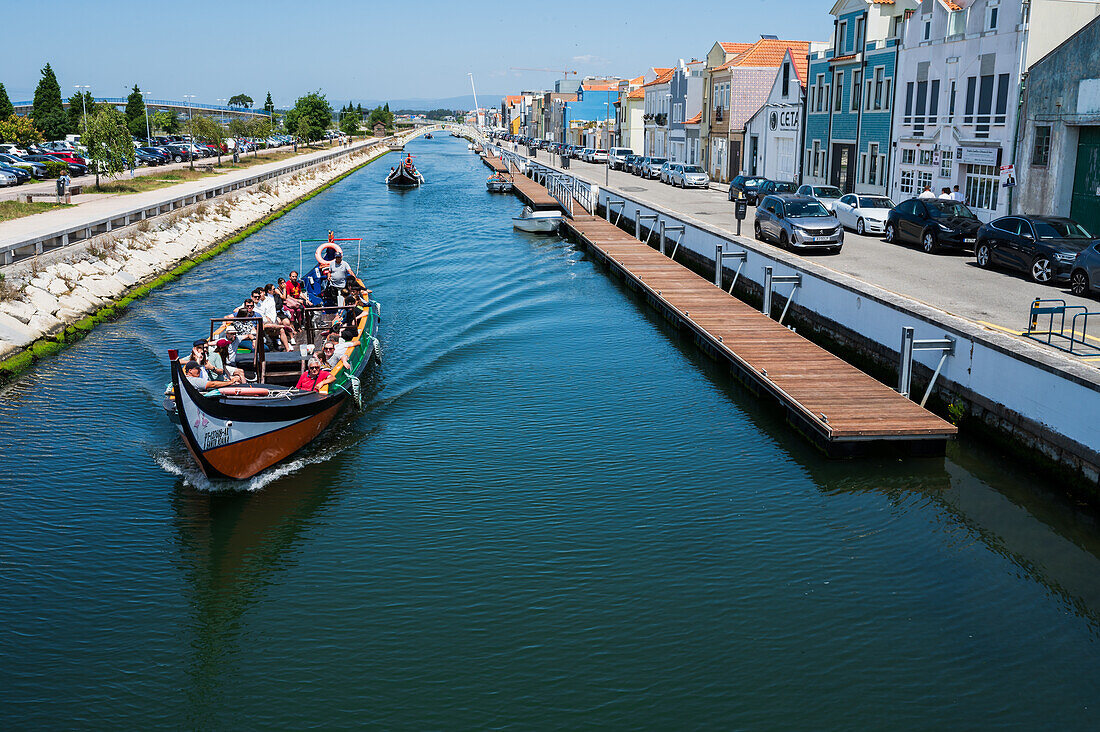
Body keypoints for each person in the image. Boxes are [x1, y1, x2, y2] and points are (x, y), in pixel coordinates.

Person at [254, 287, 293, 351]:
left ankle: (287, 348)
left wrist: (271, 320)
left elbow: (271, 313)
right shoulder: (254, 303)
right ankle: (283, 327)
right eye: (257, 295)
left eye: (260, 294)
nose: (259, 296)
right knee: (269, 326)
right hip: (262, 324)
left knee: (281, 330)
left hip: (269, 322)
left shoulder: (268, 301)